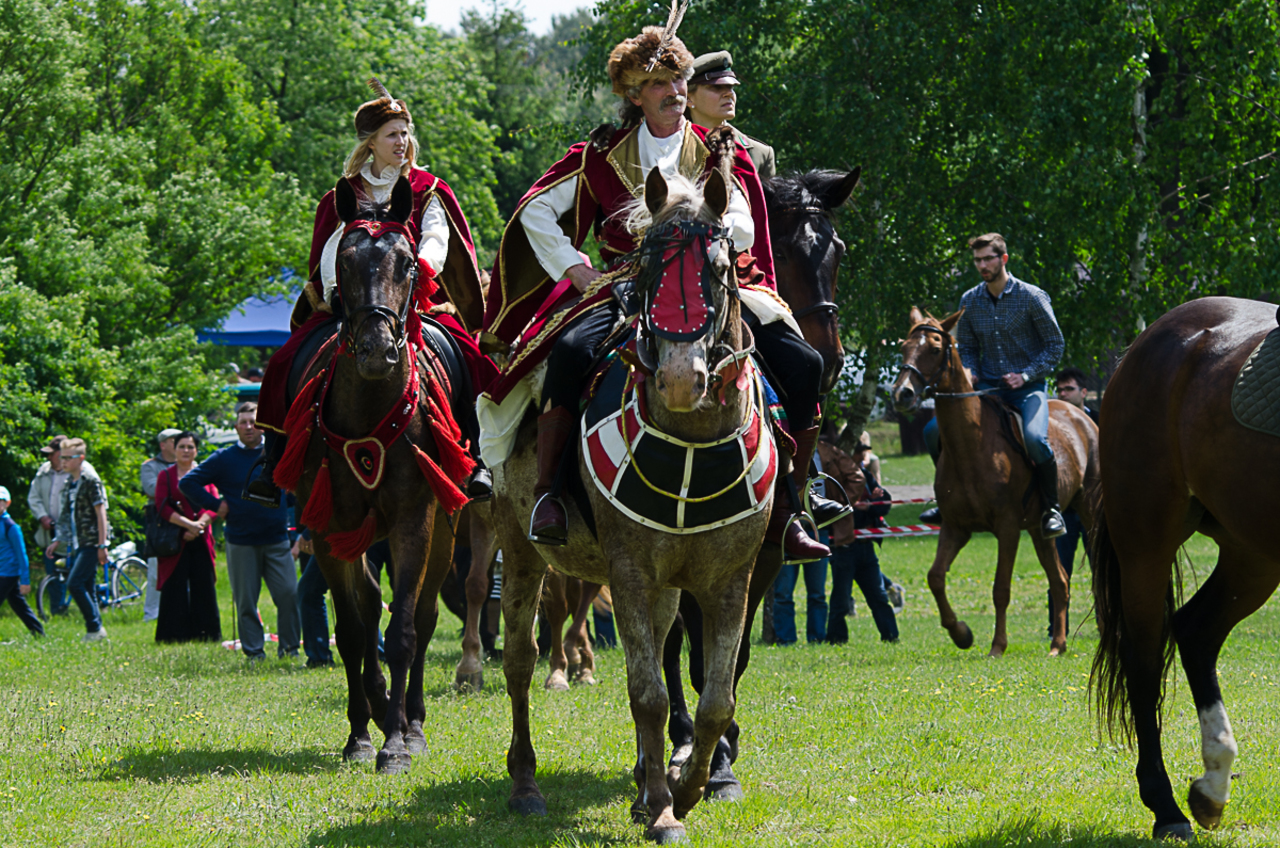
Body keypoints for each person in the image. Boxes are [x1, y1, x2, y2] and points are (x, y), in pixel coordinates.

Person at [479, 20, 844, 560]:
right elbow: (535, 210)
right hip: (625, 285)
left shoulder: (719, 150)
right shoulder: (600, 153)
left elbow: (744, 224)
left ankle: (793, 501)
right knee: (570, 353)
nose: (675, 92)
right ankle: (548, 496)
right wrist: (572, 268)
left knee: (804, 364)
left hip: (710, 281)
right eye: (660, 84)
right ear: (633, 94)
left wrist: (702, 229)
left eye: (679, 80)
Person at [248, 79, 496, 507]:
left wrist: (420, 268)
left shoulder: (428, 188)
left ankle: (476, 458)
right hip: (353, 300)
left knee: (471, 359)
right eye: (392, 134)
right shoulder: (344, 194)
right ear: (371, 142)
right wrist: (334, 288)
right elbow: (331, 248)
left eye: (405, 132)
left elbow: (438, 237)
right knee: (283, 360)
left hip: (417, 298)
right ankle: (273, 464)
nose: (402, 142)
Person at [922, 232, 1066, 537]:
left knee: (1034, 439)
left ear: (1003, 259)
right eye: (977, 260)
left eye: (988, 258)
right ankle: (946, 498)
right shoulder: (970, 300)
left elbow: (1054, 345)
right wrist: (970, 369)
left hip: (1028, 390)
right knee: (932, 431)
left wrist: (1025, 375)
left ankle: (1052, 509)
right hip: (986, 388)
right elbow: (969, 346)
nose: (982, 265)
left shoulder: (1032, 296)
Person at [181, 402, 299, 661]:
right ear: (235, 427)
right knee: (246, 602)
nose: (248, 427)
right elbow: (188, 482)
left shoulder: (277, 452)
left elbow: (296, 486)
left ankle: (290, 649)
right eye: (243, 422)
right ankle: (254, 652)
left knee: (289, 595)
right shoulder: (224, 458)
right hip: (241, 540)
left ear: (263, 426)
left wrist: (284, 506)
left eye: (253, 421)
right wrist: (216, 505)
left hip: (277, 538)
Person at [153, 432, 222, 643]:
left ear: (196, 451)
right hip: (176, 539)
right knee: (174, 586)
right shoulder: (165, 476)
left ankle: (206, 635)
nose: (186, 451)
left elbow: (215, 503)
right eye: (182, 446)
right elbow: (162, 507)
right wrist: (188, 526)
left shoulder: (205, 474)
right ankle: (173, 635)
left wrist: (199, 525)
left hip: (201, 538)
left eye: (190, 447)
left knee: (204, 585)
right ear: (174, 450)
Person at [1048, 366, 1099, 635]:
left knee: (1100, 568)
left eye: (1069, 389)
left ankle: (1107, 621)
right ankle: (1054, 627)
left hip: (1094, 507)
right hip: (1065, 510)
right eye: (1060, 390)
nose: (1063, 394)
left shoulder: (1101, 421)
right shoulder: (1053, 427)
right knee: (1059, 568)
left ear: (1084, 392)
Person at [46, 438, 111, 642]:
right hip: (77, 542)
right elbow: (66, 515)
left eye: (67, 458)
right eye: (61, 458)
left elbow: (101, 513)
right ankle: (98, 631)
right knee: (88, 586)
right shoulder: (69, 483)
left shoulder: (91, 481)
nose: (62, 462)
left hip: (91, 542)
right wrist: (58, 540)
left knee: (74, 584)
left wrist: (103, 544)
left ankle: (94, 628)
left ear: (80, 458)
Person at [28, 435, 94, 615]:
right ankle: (57, 610)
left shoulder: (84, 472)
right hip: (52, 532)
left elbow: (98, 507)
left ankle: (89, 616)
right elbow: (33, 497)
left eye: (53, 454)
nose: (49, 458)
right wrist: (43, 517)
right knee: (53, 572)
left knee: (80, 578)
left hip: (81, 535)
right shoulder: (44, 471)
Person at [685, 51, 776, 179]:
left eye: (731, 87)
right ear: (688, 98)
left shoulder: (759, 154)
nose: (729, 94)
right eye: (716, 87)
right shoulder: (670, 145)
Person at [140, 428, 181, 622]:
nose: (180, 445)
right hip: (160, 524)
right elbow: (151, 489)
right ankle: (152, 614)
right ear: (163, 444)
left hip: (184, 519)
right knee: (156, 571)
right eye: (175, 441)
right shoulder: (150, 466)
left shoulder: (191, 464)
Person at [0, 486, 44, 636]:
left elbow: (22, 555)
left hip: (9, 572)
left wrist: (25, 580)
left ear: (8, 503)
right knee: (18, 604)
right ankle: (38, 633)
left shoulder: (11, 527)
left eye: (1, 501)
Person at [292, 529, 334, 668]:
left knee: (309, 591)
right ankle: (379, 653)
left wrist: (311, 533)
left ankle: (319, 658)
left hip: (335, 532)